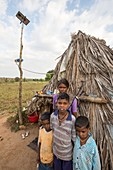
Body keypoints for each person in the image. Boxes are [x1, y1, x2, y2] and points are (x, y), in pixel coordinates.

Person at [50, 92, 76, 170]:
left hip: (67, 154)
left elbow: (74, 138)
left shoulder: (72, 119)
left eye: (65, 103)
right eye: (60, 103)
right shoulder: (53, 116)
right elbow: (52, 130)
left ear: (68, 105)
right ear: (56, 103)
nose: (62, 105)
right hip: (56, 152)